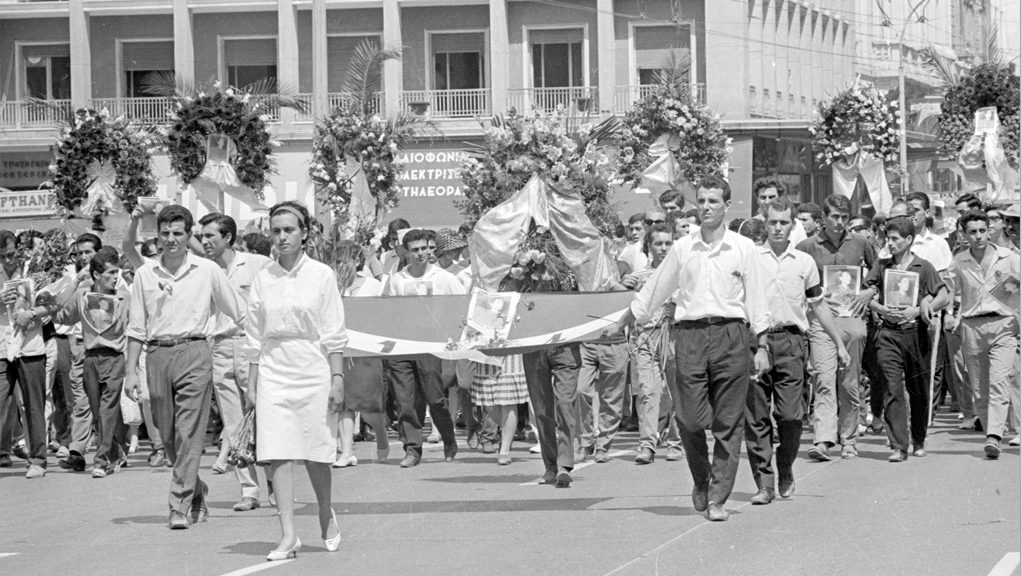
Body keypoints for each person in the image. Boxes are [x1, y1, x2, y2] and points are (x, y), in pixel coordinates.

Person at [610, 174, 769, 522]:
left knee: (729, 421)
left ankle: (717, 498)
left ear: (727, 205)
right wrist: (627, 317)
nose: (707, 207)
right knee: (689, 418)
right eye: (702, 200)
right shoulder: (684, 248)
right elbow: (656, 288)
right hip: (691, 335)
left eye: (714, 201)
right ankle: (701, 479)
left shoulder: (744, 248)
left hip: (732, 335)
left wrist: (761, 345)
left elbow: (757, 300)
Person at [124, 205, 244, 530]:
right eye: (165, 234)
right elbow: (136, 328)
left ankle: (177, 505)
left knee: (189, 431)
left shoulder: (207, 270)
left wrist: (259, 345)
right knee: (168, 436)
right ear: (157, 236)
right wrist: (131, 372)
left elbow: (239, 311)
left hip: (195, 351)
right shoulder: (145, 275)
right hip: (157, 355)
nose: (171, 240)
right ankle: (197, 490)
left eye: (178, 233)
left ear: (188, 235)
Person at [243, 201, 346, 559]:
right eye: (276, 230)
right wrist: (253, 383)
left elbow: (334, 331)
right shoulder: (263, 278)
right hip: (274, 370)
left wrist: (336, 377)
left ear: (304, 233)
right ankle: (288, 534)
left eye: (289, 229)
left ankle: (323, 509)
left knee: (317, 450)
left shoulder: (321, 275)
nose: (282, 236)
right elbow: (253, 336)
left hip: (313, 367)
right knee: (277, 452)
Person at [744, 197, 849, 505]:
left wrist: (839, 343)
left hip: (791, 342)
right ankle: (764, 482)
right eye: (773, 222)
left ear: (793, 225)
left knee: (791, 416)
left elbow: (818, 306)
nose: (778, 228)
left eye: (784, 222)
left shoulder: (803, 263)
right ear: (765, 223)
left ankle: (785, 466)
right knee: (757, 418)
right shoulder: (750, 259)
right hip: (754, 344)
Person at [197, 213, 271, 512]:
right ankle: (249, 490)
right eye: (202, 237)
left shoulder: (256, 264)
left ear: (227, 237)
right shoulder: (202, 270)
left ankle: (275, 485)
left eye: (210, 237)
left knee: (261, 415)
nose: (204, 243)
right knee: (232, 422)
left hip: (249, 345)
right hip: (218, 347)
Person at [796, 194, 877, 461]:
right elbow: (794, 281)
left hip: (852, 319)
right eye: (834, 217)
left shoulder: (861, 242)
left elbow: (880, 274)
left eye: (844, 218)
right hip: (820, 319)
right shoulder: (807, 247)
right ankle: (823, 439)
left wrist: (869, 292)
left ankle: (849, 438)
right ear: (823, 219)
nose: (840, 223)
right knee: (823, 378)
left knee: (850, 381)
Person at [865, 217, 948, 462]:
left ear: (909, 240)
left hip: (916, 333)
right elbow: (867, 293)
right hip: (889, 333)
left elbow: (943, 294)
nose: (890, 244)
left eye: (895, 239)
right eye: (887, 239)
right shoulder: (881, 266)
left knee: (919, 390)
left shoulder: (924, 267)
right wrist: (880, 308)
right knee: (892, 386)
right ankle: (898, 445)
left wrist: (922, 308)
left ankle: (918, 439)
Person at [384, 229, 464, 467]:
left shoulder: (445, 279)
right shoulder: (398, 280)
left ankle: (448, 438)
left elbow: (460, 308)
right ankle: (412, 449)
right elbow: (386, 313)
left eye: (425, 248)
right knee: (405, 400)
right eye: (415, 250)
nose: (421, 254)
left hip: (431, 347)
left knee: (435, 398)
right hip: (402, 346)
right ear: (405, 253)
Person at [945, 210, 1020, 459]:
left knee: (999, 381)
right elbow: (950, 292)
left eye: (982, 231)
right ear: (964, 235)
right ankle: (992, 430)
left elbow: (1018, 292)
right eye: (972, 232)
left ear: (989, 231)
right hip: (972, 327)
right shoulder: (959, 261)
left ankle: (994, 436)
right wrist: (948, 312)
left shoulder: (1008, 257)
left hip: (1003, 325)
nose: (978, 236)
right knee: (979, 388)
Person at [51, 247, 131, 478]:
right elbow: (60, 315)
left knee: (107, 411)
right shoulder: (83, 295)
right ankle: (116, 452)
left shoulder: (124, 297)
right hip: (90, 359)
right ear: (96, 274)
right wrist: (74, 284)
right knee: (97, 413)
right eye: (110, 273)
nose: (116, 277)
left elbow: (135, 324)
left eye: (117, 272)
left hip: (115, 357)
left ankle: (101, 460)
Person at [621, 223, 682, 464]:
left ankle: (676, 441)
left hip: (674, 337)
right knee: (647, 391)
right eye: (658, 243)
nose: (663, 248)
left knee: (676, 392)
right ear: (649, 247)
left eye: (668, 243)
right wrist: (622, 289)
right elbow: (625, 306)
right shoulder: (637, 278)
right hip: (645, 338)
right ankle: (647, 444)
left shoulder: (683, 275)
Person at [331, 240, 388, 466]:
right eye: (337, 263)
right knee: (344, 402)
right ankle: (346, 452)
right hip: (340, 350)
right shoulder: (332, 286)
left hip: (366, 351)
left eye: (344, 262)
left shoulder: (373, 286)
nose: (340, 267)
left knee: (368, 405)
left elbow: (382, 318)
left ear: (356, 262)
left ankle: (381, 434)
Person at [0, 230, 49, 477]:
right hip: (2, 349)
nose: (8, 261)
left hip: (30, 347)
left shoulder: (34, 271)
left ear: (18, 251)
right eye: (2, 257)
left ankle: (38, 459)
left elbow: (52, 305)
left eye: (10, 255)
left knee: (33, 406)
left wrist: (31, 313)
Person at [750, 176, 807, 245]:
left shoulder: (796, 225)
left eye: (771, 197)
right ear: (757, 199)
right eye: (763, 197)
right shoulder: (750, 224)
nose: (767, 201)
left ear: (780, 198)